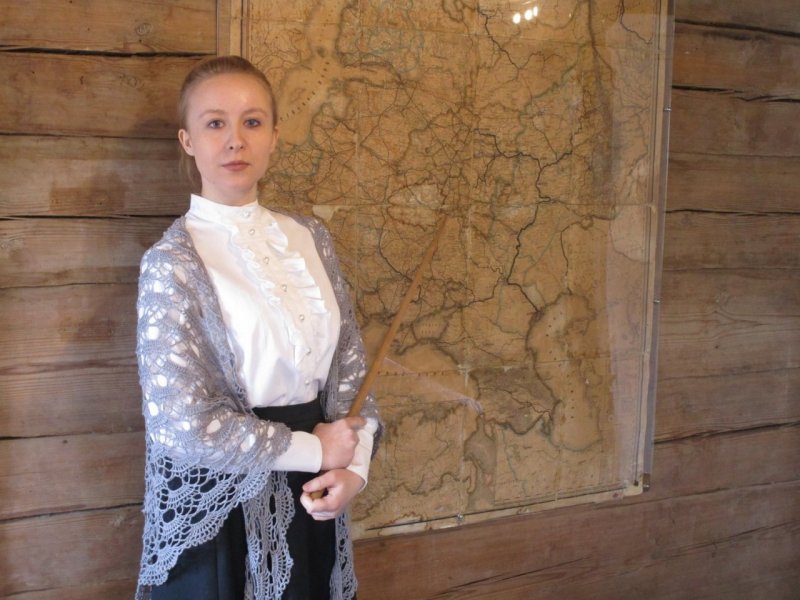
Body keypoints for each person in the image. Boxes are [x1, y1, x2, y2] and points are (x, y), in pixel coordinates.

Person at [135, 55, 381, 600]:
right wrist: (316, 450)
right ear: (187, 140)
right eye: (215, 123)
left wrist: (354, 468)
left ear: (274, 136)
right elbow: (182, 426)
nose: (235, 140)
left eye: (252, 121)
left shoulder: (311, 238)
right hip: (221, 512)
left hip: (314, 494)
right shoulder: (172, 263)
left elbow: (351, 370)